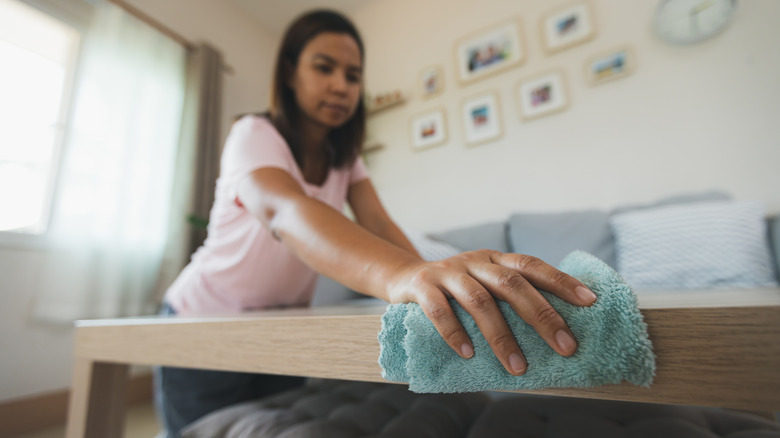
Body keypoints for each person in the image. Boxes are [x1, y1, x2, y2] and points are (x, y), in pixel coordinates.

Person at [154, 9, 598, 438]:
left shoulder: (344, 158)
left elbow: (377, 222)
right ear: (289, 74)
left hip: (277, 328)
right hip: (202, 319)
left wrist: (431, 285)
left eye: (352, 75)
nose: (341, 85)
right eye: (324, 67)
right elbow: (285, 211)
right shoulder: (253, 134)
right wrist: (403, 274)